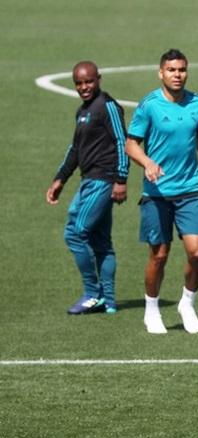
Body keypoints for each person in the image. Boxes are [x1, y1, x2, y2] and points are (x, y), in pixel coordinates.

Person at [125, 49, 198, 334]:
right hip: (156, 192)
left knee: (197, 251)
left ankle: (187, 303)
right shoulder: (149, 105)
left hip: (189, 189)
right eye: (171, 70)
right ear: (161, 73)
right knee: (159, 255)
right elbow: (131, 144)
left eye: (181, 70)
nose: (177, 75)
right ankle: (152, 309)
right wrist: (147, 162)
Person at [46, 61, 129, 315]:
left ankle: (93, 294)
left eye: (89, 81)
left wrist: (121, 179)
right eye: (79, 83)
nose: (84, 87)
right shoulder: (82, 111)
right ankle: (110, 301)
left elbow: (121, 141)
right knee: (100, 240)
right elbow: (75, 149)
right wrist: (60, 178)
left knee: (75, 233)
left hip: (103, 180)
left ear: (99, 79)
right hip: (88, 180)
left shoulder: (108, 106)